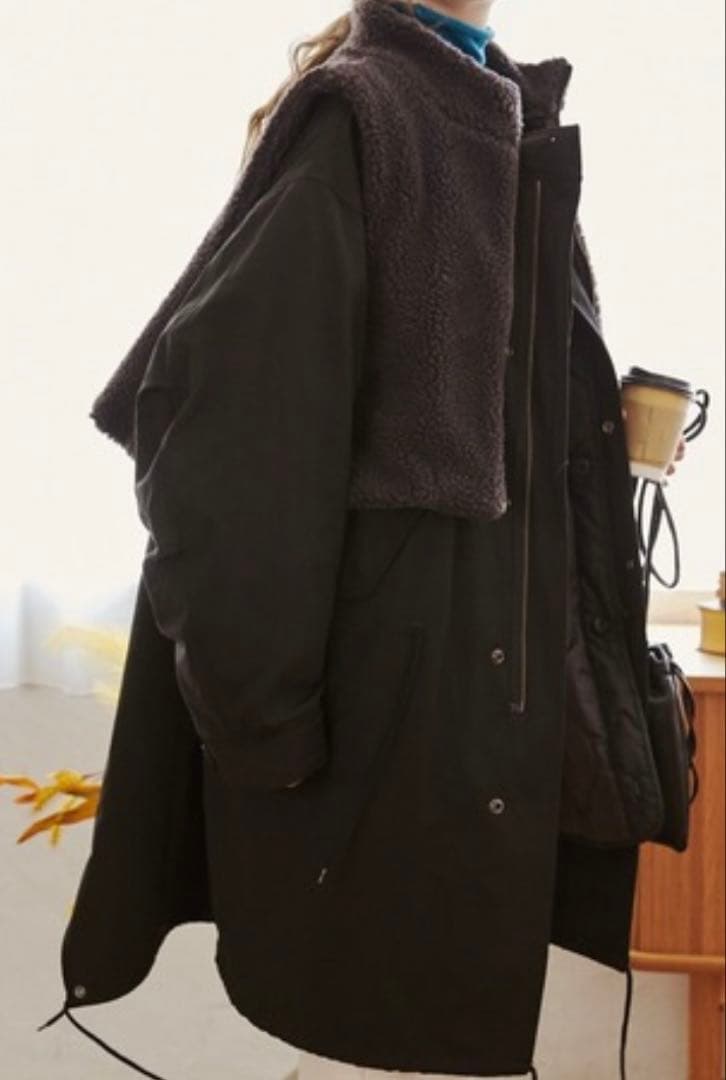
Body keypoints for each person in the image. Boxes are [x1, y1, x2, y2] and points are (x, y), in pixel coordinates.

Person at [39, 2, 687, 1079]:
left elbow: (493, 450)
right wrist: (269, 735)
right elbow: (228, 456)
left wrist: (592, 433)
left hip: (464, 750)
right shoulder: (369, 114)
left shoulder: (496, 109)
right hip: (381, 776)